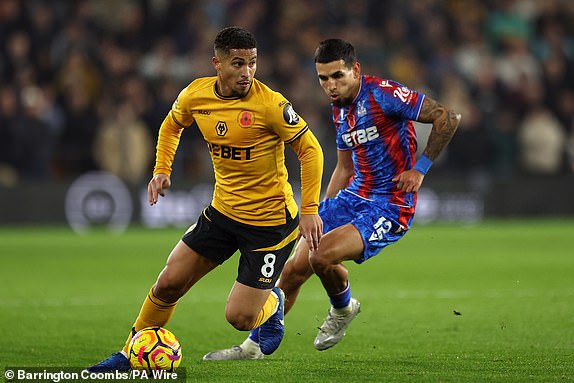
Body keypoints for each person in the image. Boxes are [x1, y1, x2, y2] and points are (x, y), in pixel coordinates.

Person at [203, 38, 460, 360]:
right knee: (294, 269)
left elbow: (448, 118)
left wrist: (420, 169)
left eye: (337, 76)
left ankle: (342, 309)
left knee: (320, 256)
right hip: (353, 196)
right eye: (323, 78)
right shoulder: (340, 109)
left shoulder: (385, 93)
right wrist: (320, 211)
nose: (330, 85)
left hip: (390, 204)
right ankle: (253, 347)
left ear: (356, 69)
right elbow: (343, 167)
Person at [87, 26, 324, 372]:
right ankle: (128, 354)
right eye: (238, 64)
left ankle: (273, 302)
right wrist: (161, 169)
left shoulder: (270, 104)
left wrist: (309, 210)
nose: (247, 73)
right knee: (168, 283)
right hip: (222, 213)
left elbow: (311, 150)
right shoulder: (196, 95)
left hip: (269, 225)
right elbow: (171, 125)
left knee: (241, 318)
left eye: (253, 64)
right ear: (217, 63)